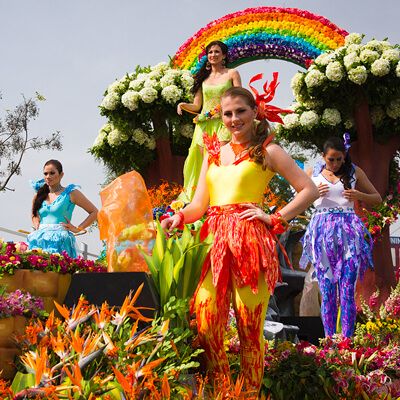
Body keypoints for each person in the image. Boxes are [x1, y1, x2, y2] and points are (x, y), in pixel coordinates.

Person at [163, 86, 318, 391]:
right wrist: (178, 217)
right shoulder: (212, 154)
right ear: (220, 117)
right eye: (227, 113)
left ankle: (247, 393)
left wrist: (275, 217)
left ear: (254, 112)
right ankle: (223, 390)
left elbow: (308, 189)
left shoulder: (268, 150)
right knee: (206, 324)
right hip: (214, 243)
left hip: (250, 243)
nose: (234, 119)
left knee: (249, 328)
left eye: (240, 112)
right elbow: (199, 205)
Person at [299, 136, 382, 337]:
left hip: (349, 234)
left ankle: (346, 341)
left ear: (344, 157)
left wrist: (358, 196)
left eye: (339, 159)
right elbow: (299, 200)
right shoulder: (312, 173)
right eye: (331, 159)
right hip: (322, 234)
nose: (335, 164)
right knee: (327, 291)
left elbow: (377, 198)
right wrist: (313, 193)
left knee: (347, 291)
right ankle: (329, 341)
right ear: (323, 157)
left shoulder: (354, 172)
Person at [177, 40, 242, 202]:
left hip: (224, 124)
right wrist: (183, 105)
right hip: (204, 127)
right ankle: (204, 202)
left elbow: (240, 96)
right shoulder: (202, 79)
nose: (213, 55)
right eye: (210, 52)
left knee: (220, 161)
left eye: (217, 52)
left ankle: (225, 197)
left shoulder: (232, 73)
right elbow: (197, 105)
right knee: (205, 165)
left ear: (224, 55)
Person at [27, 160, 98, 258]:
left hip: (61, 241)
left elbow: (94, 212)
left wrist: (77, 229)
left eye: (52, 173)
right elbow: (34, 213)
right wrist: (37, 225)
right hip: (39, 240)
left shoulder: (71, 193)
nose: (48, 176)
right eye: (45, 173)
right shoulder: (38, 195)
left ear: (61, 175)